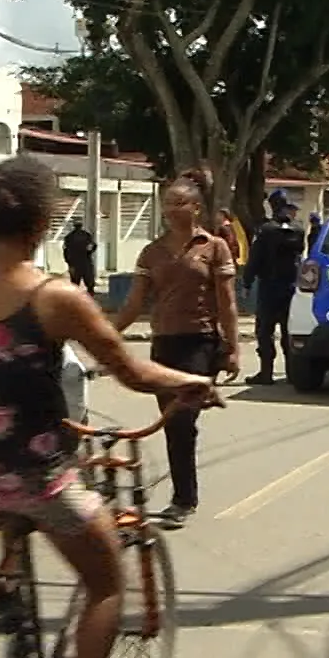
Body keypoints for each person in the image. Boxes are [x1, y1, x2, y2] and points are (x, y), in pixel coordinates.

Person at [0, 155, 217, 658]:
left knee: (17, 505)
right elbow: (135, 372)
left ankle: (9, 584)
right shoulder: (54, 296)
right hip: (36, 472)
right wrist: (192, 381)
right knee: (106, 583)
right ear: (42, 223)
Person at [112, 168, 242, 526]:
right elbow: (134, 305)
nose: (170, 209)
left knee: (182, 420)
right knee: (173, 424)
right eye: (167, 202)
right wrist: (104, 335)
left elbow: (227, 302)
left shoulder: (213, 247)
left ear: (196, 208)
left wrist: (232, 348)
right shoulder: (152, 252)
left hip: (200, 341)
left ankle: (183, 499)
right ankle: (184, 491)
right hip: (164, 345)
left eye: (178, 203)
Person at [243, 189, 304, 384]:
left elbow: (255, 259)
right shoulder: (298, 229)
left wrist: (246, 281)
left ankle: (266, 373)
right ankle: (291, 373)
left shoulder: (266, 230)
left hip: (269, 286)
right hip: (291, 287)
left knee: (264, 331)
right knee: (288, 331)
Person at [63, 220, 98, 294]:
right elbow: (94, 245)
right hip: (85, 260)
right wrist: (89, 252)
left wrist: (68, 262)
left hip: (74, 261)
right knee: (89, 282)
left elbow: (65, 250)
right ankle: (90, 296)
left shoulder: (69, 237)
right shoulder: (86, 235)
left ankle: (75, 299)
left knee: (75, 284)